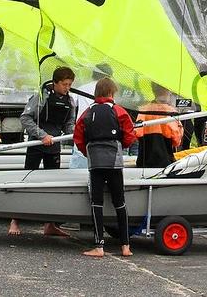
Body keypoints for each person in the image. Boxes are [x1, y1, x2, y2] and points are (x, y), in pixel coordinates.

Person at [73, 77, 136, 258]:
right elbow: (130, 135)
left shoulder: (87, 113)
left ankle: (99, 246)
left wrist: (88, 152)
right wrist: (120, 146)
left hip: (95, 161)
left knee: (97, 203)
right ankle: (125, 246)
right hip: (114, 161)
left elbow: (78, 138)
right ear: (111, 93)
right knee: (120, 203)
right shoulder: (118, 111)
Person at [11, 66, 77, 236]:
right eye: (64, 84)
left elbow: (68, 123)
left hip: (54, 145)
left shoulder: (70, 101)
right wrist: (42, 135)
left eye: (69, 84)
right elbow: (25, 118)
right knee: (27, 180)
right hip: (36, 144)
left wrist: (73, 133)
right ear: (55, 83)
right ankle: (15, 220)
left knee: (52, 184)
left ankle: (50, 224)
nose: (67, 88)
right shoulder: (40, 97)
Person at [135, 84, 183, 167]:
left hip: (144, 160)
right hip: (164, 160)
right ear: (166, 92)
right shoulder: (171, 112)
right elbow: (176, 140)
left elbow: (137, 132)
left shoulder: (144, 110)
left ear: (154, 91)